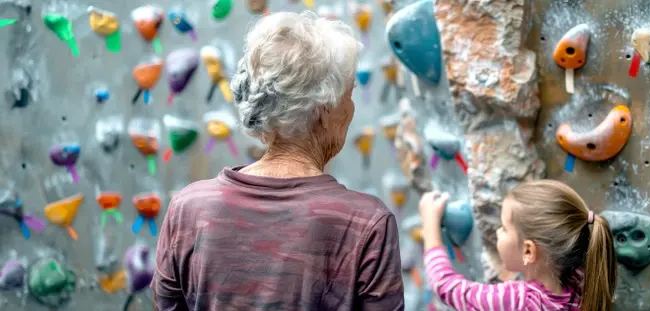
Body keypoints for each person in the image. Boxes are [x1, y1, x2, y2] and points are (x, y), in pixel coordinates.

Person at [151, 11, 404, 311]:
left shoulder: (188, 208)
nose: (351, 109)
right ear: (324, 109)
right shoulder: (367, 224)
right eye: (349, 95)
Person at [419, 180, 617, 311]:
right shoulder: (582, 287)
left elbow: (447, 288)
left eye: (504, 228)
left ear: (529, 251)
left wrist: (430, 225)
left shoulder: (515, 301)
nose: (497, 232)